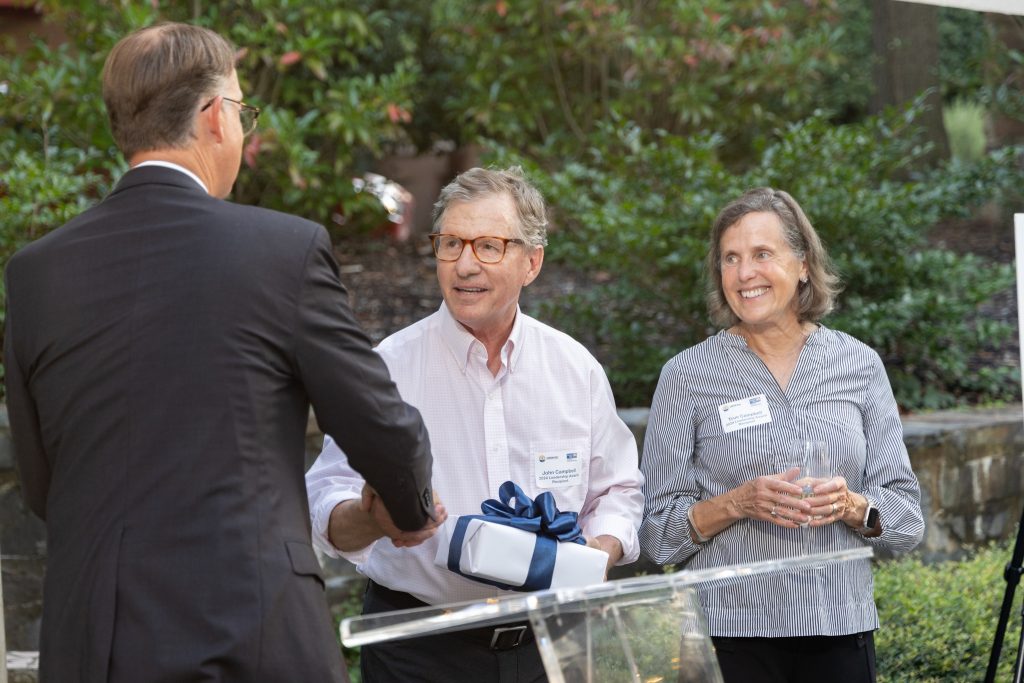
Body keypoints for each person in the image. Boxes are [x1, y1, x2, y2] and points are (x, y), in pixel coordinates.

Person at [3, 22, 441, 683]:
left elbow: (40, 484)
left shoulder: (36, 273)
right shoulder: (282, 252)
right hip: (247, 630)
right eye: (242, 111)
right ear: (214, 116)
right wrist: (407, 510)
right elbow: (380, 425)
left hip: (94, 639)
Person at [305, 166, 645, 683]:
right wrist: (373, 518)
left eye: (488, 246)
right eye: (451, 244)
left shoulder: (576, 370)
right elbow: (325, 497)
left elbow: (618, 489)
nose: (465, 265)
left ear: (532, 262)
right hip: (418, 651)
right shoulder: (388, 368)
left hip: (552, 645)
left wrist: (601, 550)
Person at [638, 187, 924, 683]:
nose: (744, 273)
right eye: (730, 258)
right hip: (726, 637)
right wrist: (736, 503)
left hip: (840, 630)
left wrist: (853, 506)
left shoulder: (858, 364)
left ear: (803, 264)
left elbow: (907, 521)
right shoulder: (686, 375)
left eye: (762, 254)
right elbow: (654, 535)